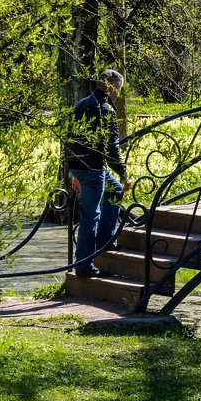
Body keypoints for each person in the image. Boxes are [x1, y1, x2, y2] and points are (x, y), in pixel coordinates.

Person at [67, 70, 131, 278]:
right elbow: (111, 148)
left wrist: (73, 171)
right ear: (112, 88)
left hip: (79, 166)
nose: (118, 95)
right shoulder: (105, 110)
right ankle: (84, 264)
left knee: (115, 191)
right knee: (90, 215)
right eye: (119, 90)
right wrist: (123, 172)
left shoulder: (81, 105)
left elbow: (69, 139)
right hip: (93, 169)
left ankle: (104, 240)